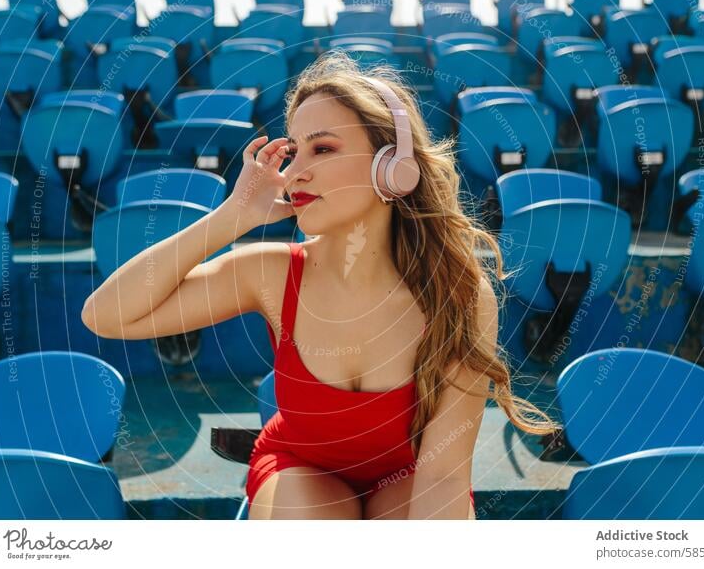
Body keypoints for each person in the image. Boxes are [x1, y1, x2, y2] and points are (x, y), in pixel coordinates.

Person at [82, 51, 560, 520]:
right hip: (298, 470)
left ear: (393, 165)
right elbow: (105, 314)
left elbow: (443, 479)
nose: (294, 173)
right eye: (294, 152)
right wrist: (232, 217)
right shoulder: (269, 273)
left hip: (413, 476)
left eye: (323, 148)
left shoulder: (459, 295)